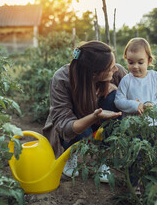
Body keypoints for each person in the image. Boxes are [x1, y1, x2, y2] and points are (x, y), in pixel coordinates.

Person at [42, 41, 127, 182]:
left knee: (114, 98)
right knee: (81, 133)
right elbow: (64, 125)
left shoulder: (118, 73)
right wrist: (94, 117)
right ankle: (71, 153)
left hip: (100, 122)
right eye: (111, 68)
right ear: (94, 74)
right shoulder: (62, 79)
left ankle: (103, 159)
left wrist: (120, 93)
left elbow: (135, 101)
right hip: (76, 126)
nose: (116, 70)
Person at [114, 37, 157, 118]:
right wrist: (135, 105)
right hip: (131, 125)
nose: (135, 66)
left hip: (152, 124)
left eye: (140, 62)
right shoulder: (126, 80)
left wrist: (154, 105)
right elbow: (118, 101)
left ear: (149, 61)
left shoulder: (154, 76)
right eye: (131, 62)